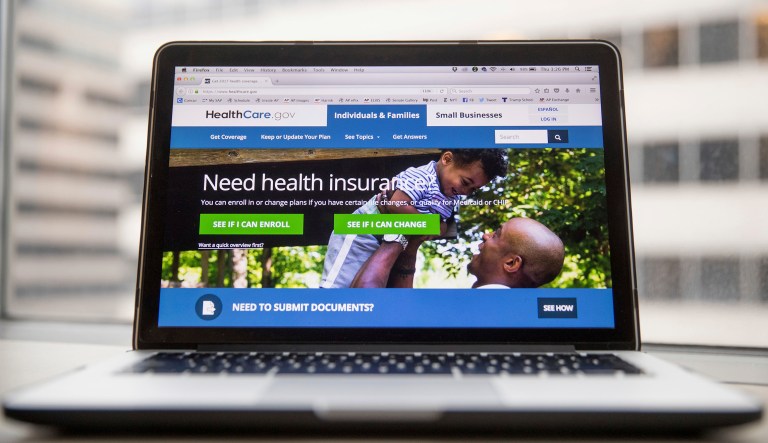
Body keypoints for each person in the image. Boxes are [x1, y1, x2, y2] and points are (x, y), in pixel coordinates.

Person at [320, 149, 507, 288]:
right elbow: (396, 204)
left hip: (391, 240)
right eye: (465, 182)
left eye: (473, 189)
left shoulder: (451, 196)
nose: (466, 191)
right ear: (447, 159)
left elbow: (441, 226)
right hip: (361, 233)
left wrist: (431, 226)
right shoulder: (421, 177)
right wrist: (427, 225)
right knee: (338, 288)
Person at [350, 217, 565, 289]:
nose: (485, 235)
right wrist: (411, 246)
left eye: (496, 235)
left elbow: (365, 308)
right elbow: (401, 310)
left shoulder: (471, 308)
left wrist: (397, 232)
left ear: (511, 263)